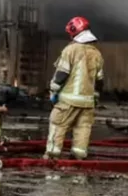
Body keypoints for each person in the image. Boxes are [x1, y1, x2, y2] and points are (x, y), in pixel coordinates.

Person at [45, 16, 105, 160]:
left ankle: (53, 155)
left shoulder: (70, 50)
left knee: (57, 123)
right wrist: (95, 97)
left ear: (74, 32)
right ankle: (79, 155)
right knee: (83, 128)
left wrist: (53, 90)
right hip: (88, 102)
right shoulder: (97, 53)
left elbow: (62, 73)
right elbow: (100, 80)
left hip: (68, 101)